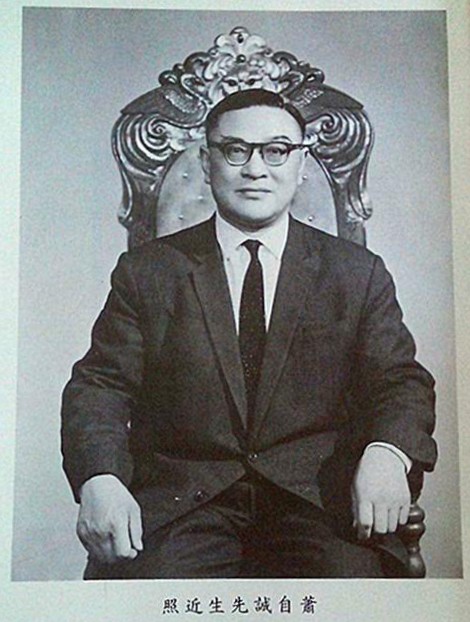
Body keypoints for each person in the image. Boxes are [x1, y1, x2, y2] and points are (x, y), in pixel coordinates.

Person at [61, 89, 437, 579]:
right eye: (235, 150)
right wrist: (100, 476)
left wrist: (387, 453)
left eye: (277, 150)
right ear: (207, 161)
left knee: (353, 589)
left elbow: (400, 380)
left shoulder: (356, 273)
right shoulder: (147, 272)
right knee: (149, 593)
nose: (256, 169)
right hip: (187, 504)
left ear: (300, 163)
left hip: (316, 501)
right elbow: (100, 386)